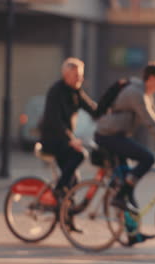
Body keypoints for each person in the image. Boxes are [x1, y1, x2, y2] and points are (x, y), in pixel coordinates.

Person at [94, 61, 155, 244]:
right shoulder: (137, 94)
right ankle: (119, 195)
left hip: (116, 136)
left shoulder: (142, 92)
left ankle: (133, 233)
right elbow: (152, 122)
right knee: (148, 158)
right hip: (108, 136)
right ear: (151, 78)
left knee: (129, 187)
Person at [39, 57, 98, 199]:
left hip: (64, 140)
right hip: (52, 140)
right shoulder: (56, 91)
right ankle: (58, 190)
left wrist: (111, 112)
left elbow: (93, 109)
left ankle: (66, 213)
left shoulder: (75, 91)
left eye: (81, 75)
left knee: (74, 181)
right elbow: (55, 121)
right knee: (80, 154)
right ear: (66, 75)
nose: (81, 79)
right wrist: (71, 139)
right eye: (77, 75)